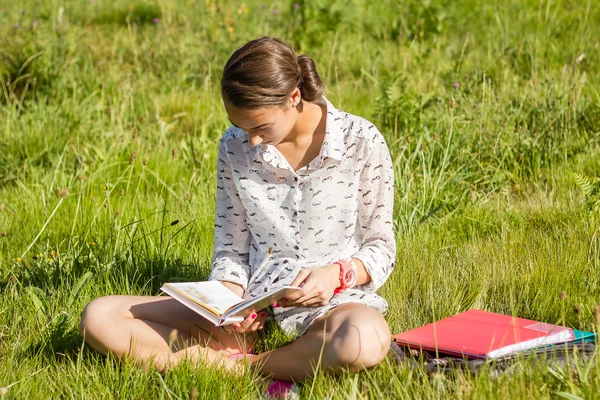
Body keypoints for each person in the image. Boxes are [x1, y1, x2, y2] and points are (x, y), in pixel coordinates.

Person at [79, 36, 396, 396]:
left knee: (362, 341)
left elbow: (381, 248)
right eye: (243, 128)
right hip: (252, 311)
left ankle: (241, 367)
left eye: (260, 128)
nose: (252, 142)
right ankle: (274, 363)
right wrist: (229, 301)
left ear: (294, 97)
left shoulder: (360, 140)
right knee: (99, 317)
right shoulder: (234, 145)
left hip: (332, 306)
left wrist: (337, 275)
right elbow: (231, 249)